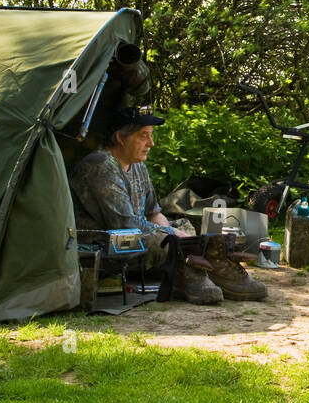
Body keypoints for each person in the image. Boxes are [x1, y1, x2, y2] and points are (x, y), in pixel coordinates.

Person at [68, 107, 266, 303]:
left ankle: (207, 269)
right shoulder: (100, 165)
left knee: (184, 227)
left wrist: (176, 233)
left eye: (151, 135)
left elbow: (153, 213)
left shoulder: (138, 165)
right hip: (105, 246)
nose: (151, 143)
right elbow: (125, 225)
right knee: (166, 238)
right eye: (143, 136)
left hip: (134, 237)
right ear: (120, 137)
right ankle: (191, 273)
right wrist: (172, 236)